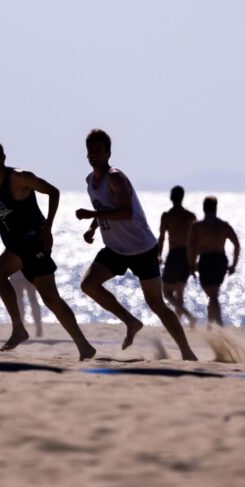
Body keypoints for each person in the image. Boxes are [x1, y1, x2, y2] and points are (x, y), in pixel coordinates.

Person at [0, 141, 95, 360]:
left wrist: (48, 227)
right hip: (16, 244)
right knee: (51, 299)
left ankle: (19, 329)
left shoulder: (20, 177)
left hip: (33, 240)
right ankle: (84, 346)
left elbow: (53, 192)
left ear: (3, 158)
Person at [76, 129, 197, 360]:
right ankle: (131, 321)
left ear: (108, 153)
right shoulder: (90, 181)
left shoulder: (115, 177)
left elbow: (125, 212)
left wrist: (92, 213)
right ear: (86, 154)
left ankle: (186, 352)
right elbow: (103, 206)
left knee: (157, 304)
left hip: (142, 248)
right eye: (91, 151)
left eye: (99, 150)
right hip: (115, 249)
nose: (94, 154)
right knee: (89, 285)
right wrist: (93, 227)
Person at [188, 196, 240, 326]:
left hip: (206, 260)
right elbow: (237, 244)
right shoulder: (223, 225)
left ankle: (219, 327)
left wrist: (191, 265)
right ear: (216, 208)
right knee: (213, 295)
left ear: (204, 208)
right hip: (220, 260)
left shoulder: (197, 226)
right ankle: (210, 326)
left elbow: (192, 248)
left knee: (213, 295)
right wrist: (234, 264)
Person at [158, 186, 197, 326]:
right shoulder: (190, 216)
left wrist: (159, 255)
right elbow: (195, 240)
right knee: (179, 292)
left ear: (171, 197)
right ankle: (178, 322)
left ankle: (188, 316)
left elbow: (161, 238)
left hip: (175, 254)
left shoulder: (167, 216)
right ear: (182, 197)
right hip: (187, 255)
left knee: (167, 293)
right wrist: (194, 260)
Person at [10, 272, 43, 337]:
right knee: (32, 298)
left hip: (16, 271)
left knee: (19, 298)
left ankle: (20, 327)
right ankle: (38, 326)